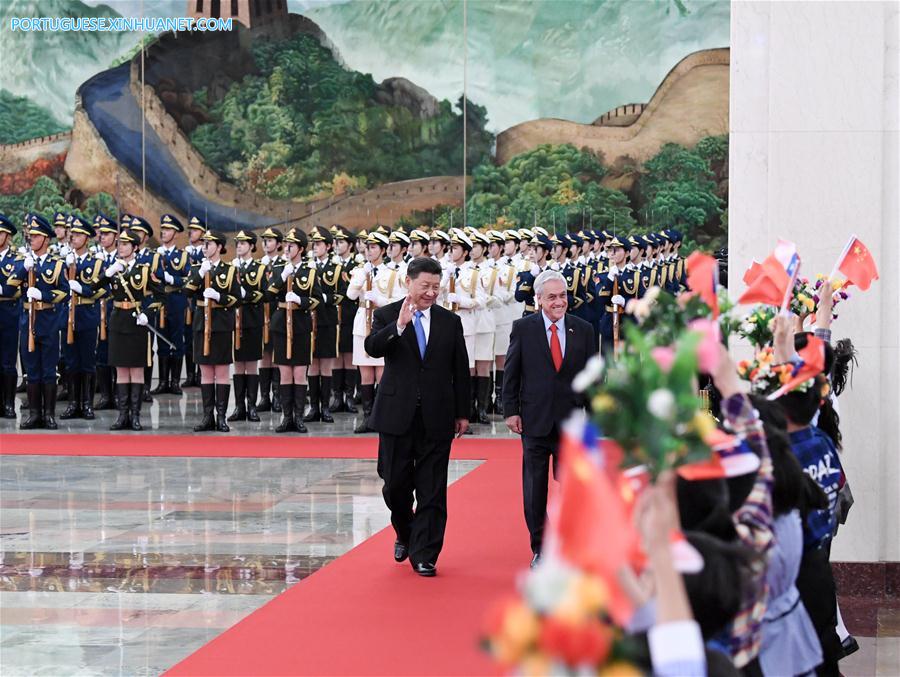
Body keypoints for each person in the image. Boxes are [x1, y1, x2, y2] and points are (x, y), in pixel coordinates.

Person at [363, 256, 470, 577]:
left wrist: (463, 412)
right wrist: (399, 326)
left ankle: (425, 554)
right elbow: (372, 348)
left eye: (436, 287)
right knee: (394, 485)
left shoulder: (450, 322)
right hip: (397, 415)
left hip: (437, 415)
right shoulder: (386, 314)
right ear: (408, 282)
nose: (430, 293)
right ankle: (405, 531)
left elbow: (459, 370)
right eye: (424, 286)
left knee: (432, 489)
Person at [502, 269, 597, 567]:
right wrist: (511, 410)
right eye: (552, 297)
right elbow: (511, 372)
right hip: (534, 419)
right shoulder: (523, 328)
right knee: (535, 487)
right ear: (539, 299)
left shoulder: (583, 329)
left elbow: (593, 377)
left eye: (563, 296)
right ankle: (540, 547)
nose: (559, 302)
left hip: (572, 421)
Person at [104, 228, 164, 431]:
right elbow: (95, 288)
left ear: (135, 247)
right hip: (118, 321)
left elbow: (160, 296)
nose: (120, 247)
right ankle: (122, 416)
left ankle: (136, 416)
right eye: (119, 243)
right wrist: (108, 273)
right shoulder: (114, 268)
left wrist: (148, 313)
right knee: (121, 370)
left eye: (125, 244)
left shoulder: (145, 270)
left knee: (137, 371)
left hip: (137, 323)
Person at [183, 230, 242, 432]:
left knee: (222, 371)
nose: (205, 247)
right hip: (202, 323)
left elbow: (236, 299)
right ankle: (207, 416)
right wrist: (200, 275)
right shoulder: (197, 268)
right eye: (203, 243)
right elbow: (187, 291)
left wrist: (219, 296)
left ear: (219, 247)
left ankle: (221, 416)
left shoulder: (230, 270)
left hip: (221, 324)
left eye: (209, 243)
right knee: (206, 371)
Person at [266, 227, 323, 433]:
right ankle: (286, 417)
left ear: (300, 248)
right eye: (286, 245)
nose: (287, 248)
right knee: (284, 374)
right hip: (281, 324)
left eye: (292, 245)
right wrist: (283, 276)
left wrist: (301, 300)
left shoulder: (310, 271)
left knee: (299, 373)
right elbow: (269, 293)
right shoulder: (280, 267)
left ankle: (298, 418)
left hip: (300, 324)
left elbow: (318, 301)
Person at [59, 216, 106, 421]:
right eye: (72, 234)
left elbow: (103, 290)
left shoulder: (96, 263)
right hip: (68, 316)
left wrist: (83, 290)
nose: (73, 238)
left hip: (87, 315)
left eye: (78, 235)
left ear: (86, 238)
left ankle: (86, 403)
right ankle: (72, 403)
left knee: (87, 361)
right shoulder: (64, 261)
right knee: (70, 361)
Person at [228, 229, 267, 423]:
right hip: (234, 322)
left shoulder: (259, 269)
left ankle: (252, 406)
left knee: (251, 365)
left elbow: (265, 294)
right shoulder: (231, 267)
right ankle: (239, 406)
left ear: (252, 246)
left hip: (252, 320)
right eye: (237, 243)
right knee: (237, 366)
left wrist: (246, 295)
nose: (239, 246)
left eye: (243, 243)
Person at [304, 226, 340, 423]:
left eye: (319, 244)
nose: (315, 247)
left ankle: (325, 407)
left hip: (326, 320)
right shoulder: (307, 267)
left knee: (325, 366)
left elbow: (343, 295)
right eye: (313, 244)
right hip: (309, 320)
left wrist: (323, 297)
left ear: (328, 246)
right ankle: (313, 407)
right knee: (312, 366)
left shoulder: (335, 269)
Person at [151, 214, 189, 396]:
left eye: (167, 230)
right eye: (163, 229)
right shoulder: (154, 255)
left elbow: (187, 279)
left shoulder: (182, 256)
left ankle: (175, 382)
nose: (164, 232)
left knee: (177, 340)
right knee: (161, 340)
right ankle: (163, 381)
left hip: (176, 300)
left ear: (175, 233)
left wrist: (169, 278)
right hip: (159, 300)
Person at [327, 225, 360, 414]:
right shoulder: (331, 265)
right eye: (336, 242)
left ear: (350, 245)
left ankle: (349, 397)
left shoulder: (355, 265)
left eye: (341, 242)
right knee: (336, 357)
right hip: (333, 315)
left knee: (349, 356)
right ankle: (336, 396)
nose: (337, 245)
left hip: (349, 314)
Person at [257, 226, 285, 413]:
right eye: (264, 240)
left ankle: (277, 396)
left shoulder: (283, 265)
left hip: (277, 313)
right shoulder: (258, 265)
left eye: (270, 240)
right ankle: (264, 396)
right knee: (264, 356)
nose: (266, 243)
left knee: (275, 354)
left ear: (279, 244)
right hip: (260, 313)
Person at [93, 215, 119, 410]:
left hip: (117, 310)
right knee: (102, 354)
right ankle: (105, 395)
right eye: (101, 234)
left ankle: (119, 396)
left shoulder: (122, 258)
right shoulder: (96, 259)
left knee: (118, 354)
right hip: (100, 309)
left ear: (116, 236)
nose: (102, 237)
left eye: (107, 234)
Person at [181, 216, 207, 388]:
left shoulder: (204, 252)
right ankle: (190, 374)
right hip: (186, 298)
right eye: (190, 229)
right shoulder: (184, 252)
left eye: (196, 230)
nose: (191, 232)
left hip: (201, 299)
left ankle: (200, 374)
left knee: (200, 337)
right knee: (188, 338)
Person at [0, 214, 21, 418]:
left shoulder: (16, 259)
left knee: (7, 360)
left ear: (7, 235)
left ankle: (8, 403)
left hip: (8, 311)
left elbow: (11, 287)